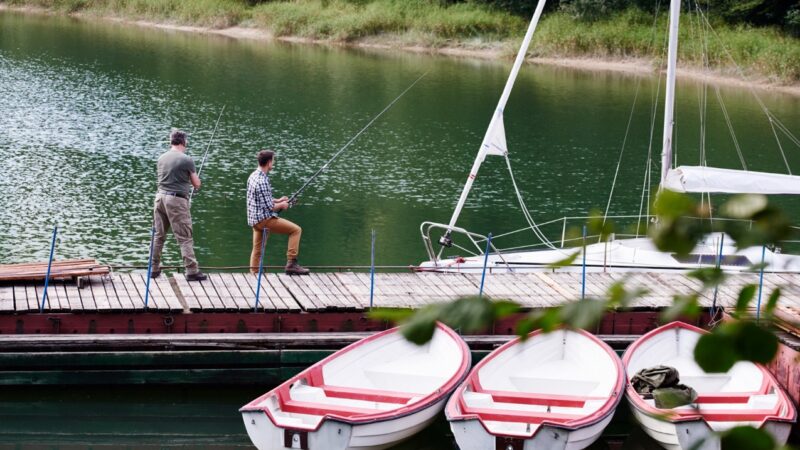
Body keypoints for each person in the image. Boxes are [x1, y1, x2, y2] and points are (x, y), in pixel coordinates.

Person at [151, 129, 207, 281]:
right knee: (185, 237)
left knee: (158, 236)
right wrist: (196, 182)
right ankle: (192, 271)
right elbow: (196, 184)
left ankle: (153, 269)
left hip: (160, 198)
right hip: (176, 201)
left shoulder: (161, 158)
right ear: (184, 141)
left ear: (171, 141)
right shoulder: (186, 159)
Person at [247, 150, 310, 275]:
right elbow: (270, 207)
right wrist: (282, 205)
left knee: (257, 249)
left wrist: (278, 200)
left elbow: (262, 199)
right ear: (269, 162)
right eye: (273, 160)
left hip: (254, 220)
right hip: (264, 219)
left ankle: (253, 274)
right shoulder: (263, 180)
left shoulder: (253, 176)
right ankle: (291, 263)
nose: (273, 163)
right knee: (296, 230)